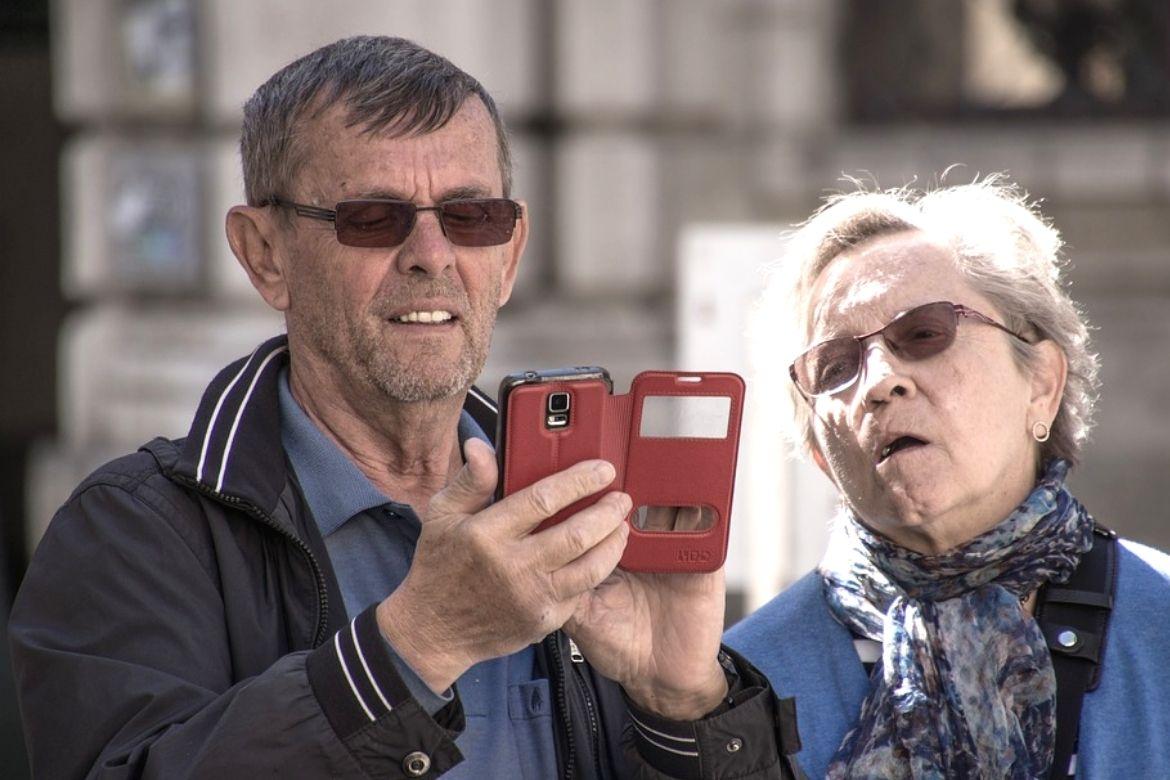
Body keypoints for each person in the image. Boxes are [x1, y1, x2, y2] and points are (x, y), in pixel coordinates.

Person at [10, 37, 803, 779]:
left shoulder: (586, 511)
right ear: (265, 255)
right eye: (372, 219)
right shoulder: (133, 532)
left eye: (471, 217)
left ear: (511, 255)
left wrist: (684, 709)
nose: (432, 255)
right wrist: (417, 645)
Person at [726, 178, 1170, 779]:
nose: (881, 381)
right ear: (820, 455)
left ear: (1040, 384)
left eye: (925, 333)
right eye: (836, 366)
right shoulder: (737, 685)